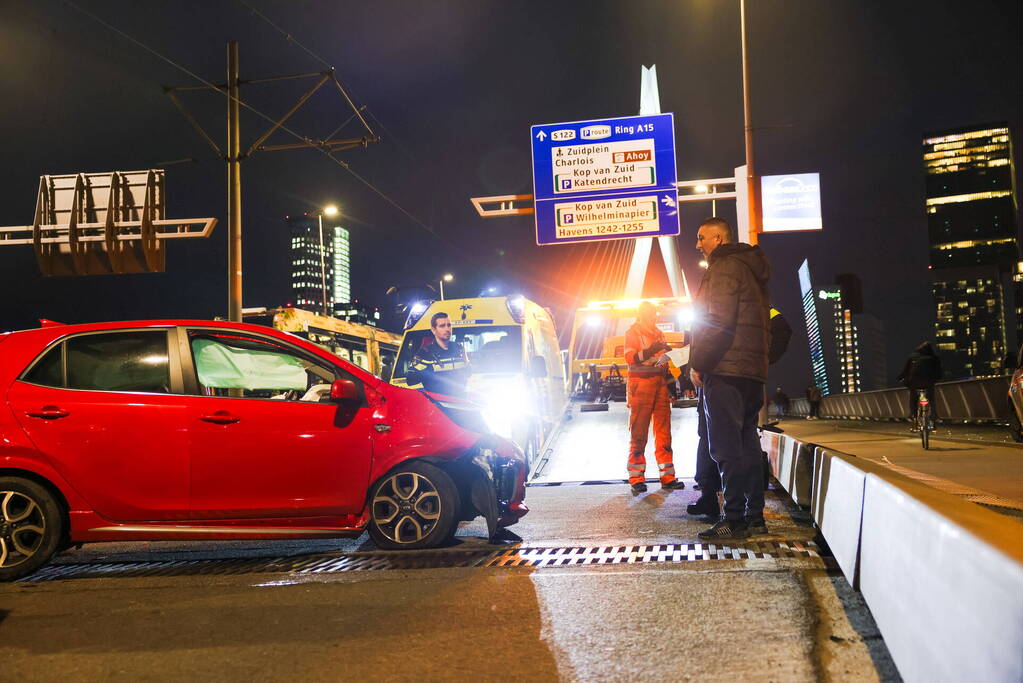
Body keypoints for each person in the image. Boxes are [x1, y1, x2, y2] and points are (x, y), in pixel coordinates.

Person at [688, 217, 771, 540]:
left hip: (725, 368)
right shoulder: (753, 269)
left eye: (702, 238)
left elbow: (716, 320)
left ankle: (732, 518)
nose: (698, 245)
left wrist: (699, 363)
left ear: (719, 238)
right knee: (748, 442)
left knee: (725, 445)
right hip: (752, 371)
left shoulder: (723, 268)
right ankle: (754, 515)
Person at [623, 301, 684, 494]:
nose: (654, 316)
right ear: (641, 314)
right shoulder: (632, 333)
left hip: (659, 386)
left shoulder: (658, 333)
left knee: (664, 432)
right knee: (638, 433)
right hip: (640, 386)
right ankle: (636, 478)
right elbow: (631, 358)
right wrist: (652, 349)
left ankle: (668, 477)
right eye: (650, 313)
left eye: (655, 313)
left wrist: (671, 385)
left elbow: (664, 363)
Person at [405, 312, 470, 397]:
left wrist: (466, 360)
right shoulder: (425, 353)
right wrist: (426, 371)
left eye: (449, 325)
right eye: (442, 326)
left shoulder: (458, 348)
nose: (447, 329)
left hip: (460, 402)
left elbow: (468, 372)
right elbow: (410, 380)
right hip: (437, 404)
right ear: (433, 330)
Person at [897, 342, 943, 426]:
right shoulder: (934, 358)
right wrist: (936, 379)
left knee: (913, 399)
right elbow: (939, 372)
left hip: (914, 383)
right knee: (931, 399)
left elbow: (906, 371)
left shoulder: (913, 357)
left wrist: (900, 378)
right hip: (929, 382)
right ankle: (934, 416)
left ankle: (913, 416)